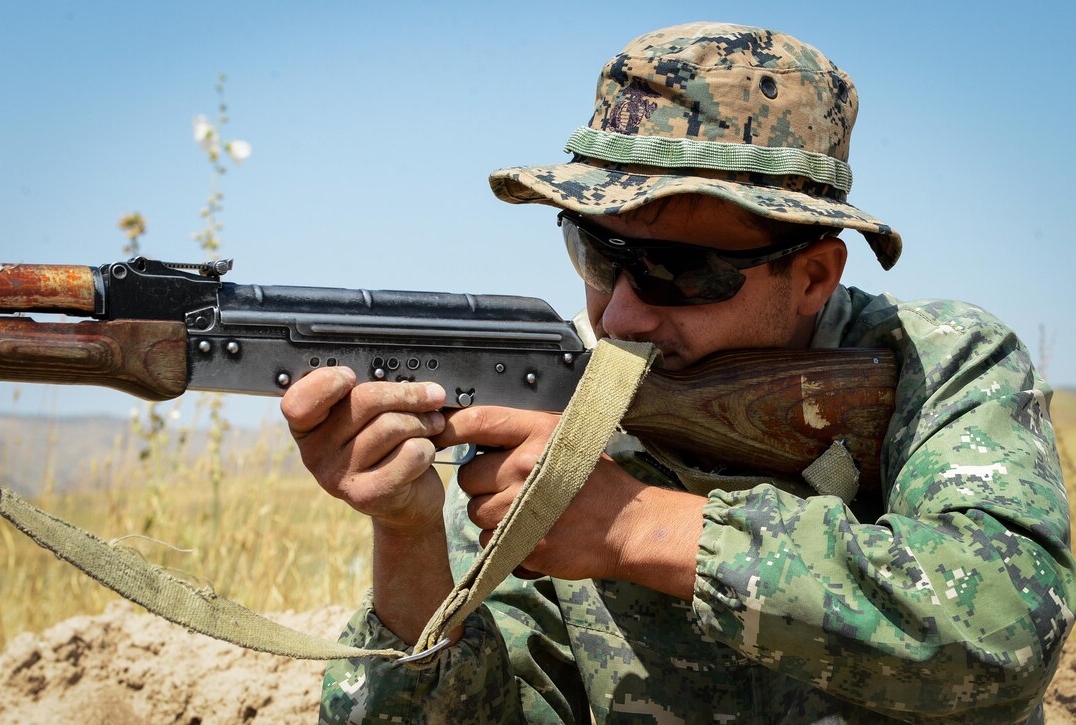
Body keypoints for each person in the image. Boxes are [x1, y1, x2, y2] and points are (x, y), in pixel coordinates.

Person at [281, 22, 1074, 723]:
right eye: (597, 254)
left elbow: (1006, 627)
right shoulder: (566, 415)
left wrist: (634, 527)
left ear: (812, 276)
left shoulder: (939, 362)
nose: (619, 315)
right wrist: (410, 538)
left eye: (677, 270)